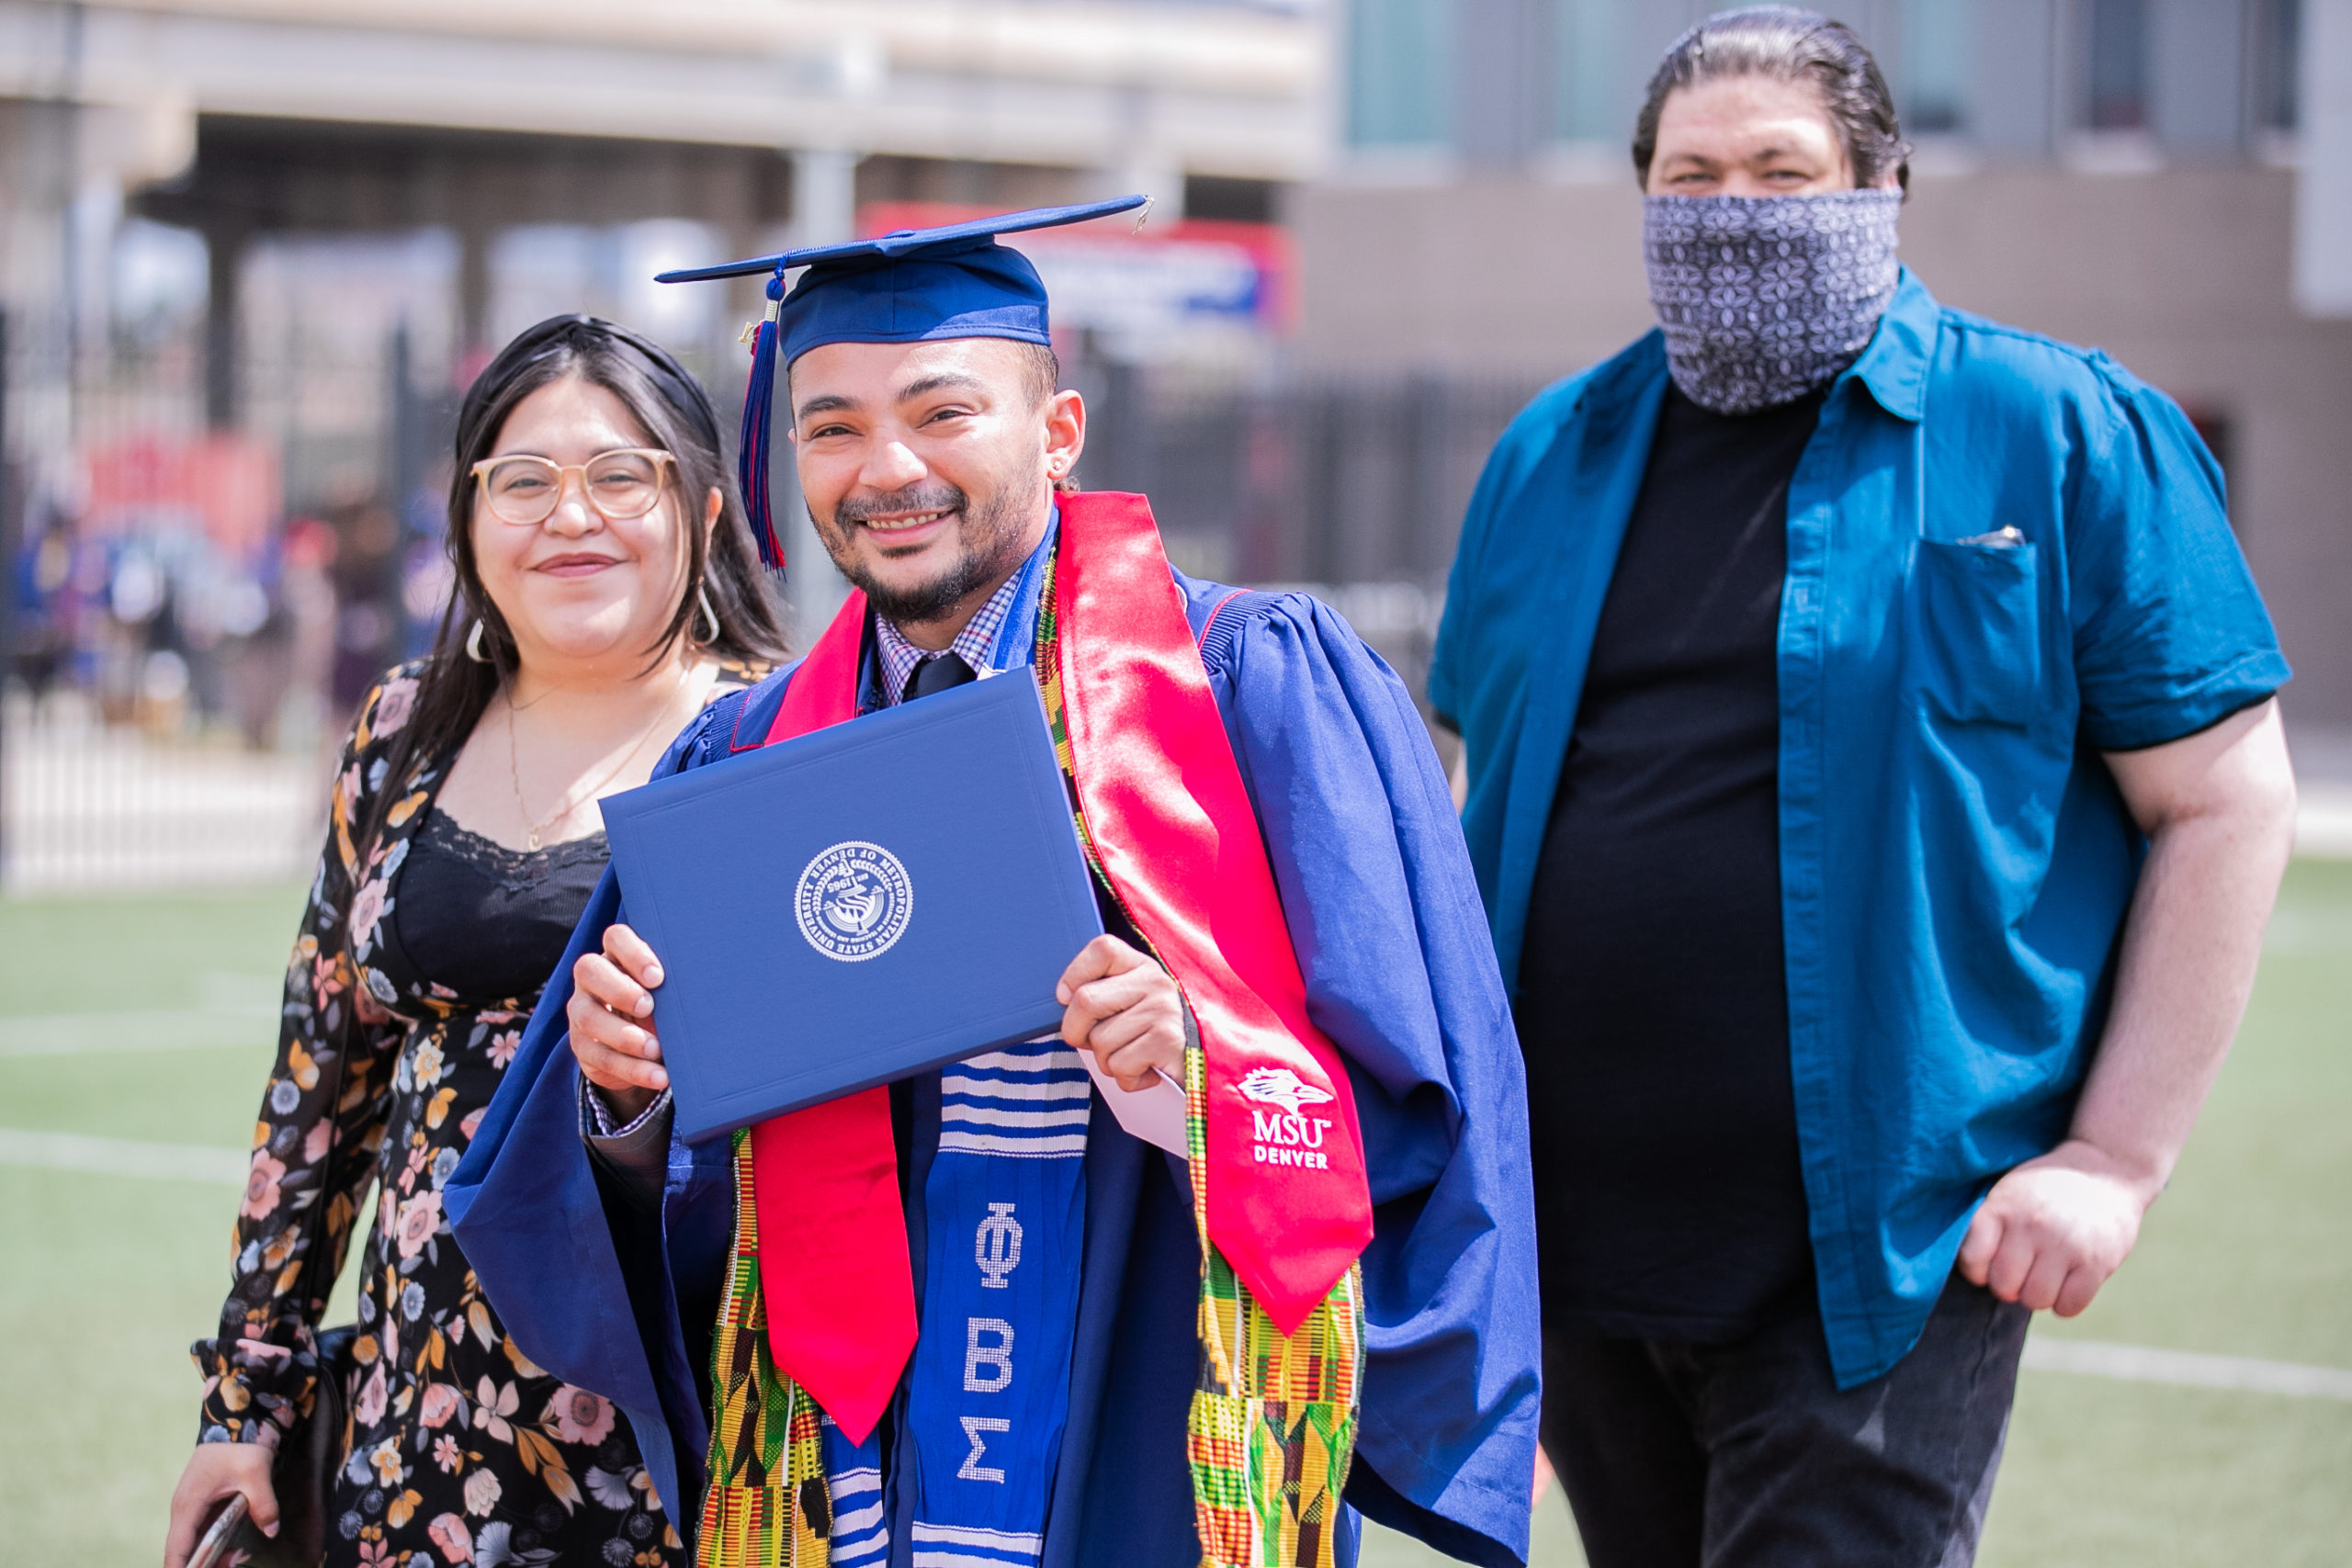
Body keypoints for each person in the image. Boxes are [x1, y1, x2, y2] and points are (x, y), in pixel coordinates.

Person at [446, 198, 1539, 1568]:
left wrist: (1198, 1070)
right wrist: (635, 1094)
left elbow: (1431, 1086)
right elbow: (607, 1207)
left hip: (1148, 1413)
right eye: (830, 425)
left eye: (940, 411)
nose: (883, 466)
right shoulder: (744, 757)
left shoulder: (1254, 688)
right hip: (850, 1461)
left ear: (1059, 431)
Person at [1429, 10, 2301, 1567]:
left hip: (1888, 1246)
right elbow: (1453, 799)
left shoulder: (2057, 432)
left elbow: (2226, 800)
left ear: (1884, 182)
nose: (1735, 213)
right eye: (1690, 180)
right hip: (1575, 1235)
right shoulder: (1548, 454)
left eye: (1783, 170)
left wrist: (2115, 1161)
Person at [165, 316, 790, 1568]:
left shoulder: (771, 745)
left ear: (705, 510)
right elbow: (316, 1091)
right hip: (421, 1420)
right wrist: (246, 1401)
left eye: (622, 476)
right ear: (467, 517)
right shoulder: (405, 728)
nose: (572, 516)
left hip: (678, 1401)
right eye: (524, 481)